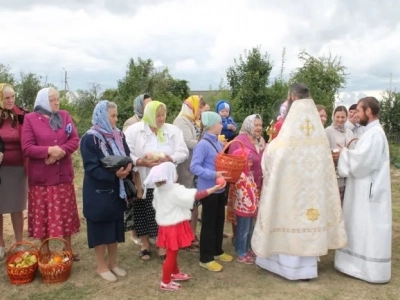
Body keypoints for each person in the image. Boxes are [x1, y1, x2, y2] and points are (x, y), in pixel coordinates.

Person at [252, 83, 347, 281]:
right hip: (313, 188)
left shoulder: (293, 122)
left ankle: (286, 266)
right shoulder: (317, 127)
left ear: (293, 97)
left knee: (289, 216)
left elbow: (276, 152)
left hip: (292, 188)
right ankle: (306, 268)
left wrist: (268, 154)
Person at [334, 97, 392, 284]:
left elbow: (362, 162)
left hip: (369, 191)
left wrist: (344, 154)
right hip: (363, 188)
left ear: (368, 111)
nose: (356, 115)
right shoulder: (371, 132)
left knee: (368, 228)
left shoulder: (375, 134)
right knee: (359, 225)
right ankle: (353, 264)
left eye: (359, 111)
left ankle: (369, 269)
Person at [143, 162, 224, 291]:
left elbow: (156, 206)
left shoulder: (158, 191)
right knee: (171, 254)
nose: (177, 174)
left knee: (173, 251)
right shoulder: (175, 190)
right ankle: (165, 281)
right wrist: (214, 189)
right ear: (170, 176)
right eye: (174, 172)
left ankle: (175, 273)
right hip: (173, 226)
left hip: (166, 226)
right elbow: (195, 196)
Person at [124, 101, 188, 261]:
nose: (161, 118)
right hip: (142, 179)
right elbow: (126, 152)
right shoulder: (134, 131)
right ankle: (144, 244)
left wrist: (170, 158)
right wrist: (140, 161)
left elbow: (183, 151)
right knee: (141, 212)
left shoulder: (173, 131)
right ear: (148, 115)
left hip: (164, 181)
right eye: (157, 115)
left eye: (163, 114)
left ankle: (161, 245)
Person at [21, 87, 81, 258]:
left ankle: (67, 248)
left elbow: (74, 140)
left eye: (57, 98)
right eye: (52, 99)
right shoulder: (30, 119)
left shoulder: (64, 116)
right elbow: (27, 147)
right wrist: (48, 150)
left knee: (66, 213)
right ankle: (45, 250)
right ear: (43, 101)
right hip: (42, 178)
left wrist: (58, 152)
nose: (56, 102)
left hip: (63, 175)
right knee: (43, 215)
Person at [80, 100, 131, 282]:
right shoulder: (90, 138)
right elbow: (91, 168)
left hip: (117, 190)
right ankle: (101, 266)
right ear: (102, 116)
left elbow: (127, 155)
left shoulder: (118, 135)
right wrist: (115, 175)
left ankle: (113, 263)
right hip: (98, 193)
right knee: (100, 228)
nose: (116, 120)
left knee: (115, 227)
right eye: (112, 116)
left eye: (116, 115)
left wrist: (128, 168)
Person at [190, 111, 233, 272]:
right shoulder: (203, 144)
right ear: (212, 126)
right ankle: (205, 258)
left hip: (219, 189)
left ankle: (217, 251)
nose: (222, 125)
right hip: (208, 190)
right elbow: (194, 167)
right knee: (208, 224)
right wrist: (213, 174)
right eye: (219, 123)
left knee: (218, 221)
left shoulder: (216, 142)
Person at [226, 114, 266, 244]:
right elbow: (232, 164)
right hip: (241, 186)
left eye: (260, 125)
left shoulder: (261, 141)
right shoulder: (239, 141)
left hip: (257, 184)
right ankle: (237, 239)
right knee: (240, 215)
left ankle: (250, 240)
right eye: (256, 125)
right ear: (248, 125)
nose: (259, 128)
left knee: (253, 215)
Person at [173, 95, 205, 252]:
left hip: (194, 168)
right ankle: (184, 238)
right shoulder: (181, 121)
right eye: (198, 107)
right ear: (191, 106)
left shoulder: (193, 120)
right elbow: (186, 142)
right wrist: (205, 143)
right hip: (185, 168)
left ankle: (192, 235)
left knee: (194, 204)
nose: (200, 110)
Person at [0, 83, 28, 260]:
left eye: (13, 97)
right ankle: (0, 245)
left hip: (18, 169)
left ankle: (19, 243)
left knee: (17, 208)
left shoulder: (22, 115)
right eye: (6, 98)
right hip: (1, 170)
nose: (10, 101)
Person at [122, 93, 152, 247]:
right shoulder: (131, 123)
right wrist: (138, 161)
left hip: (149, 169)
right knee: (137, 201)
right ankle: (136, 233)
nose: (149, 107)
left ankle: (149, 233)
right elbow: (126, 147)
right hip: (136, 170)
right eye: (146, 104)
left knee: (149, 203)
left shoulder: (153, 122)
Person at [230, 149, 259, 264]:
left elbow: (253, 189)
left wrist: (254, 203)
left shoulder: (249, 174)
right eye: (249, 161)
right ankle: (241, 252)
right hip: (244, 209)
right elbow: (242, 193)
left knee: (250, 230)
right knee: (243, 231)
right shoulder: (240, 177)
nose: (251, 164)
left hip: (250, 209)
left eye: (251, 161)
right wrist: (250, 205)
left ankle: (246, 248)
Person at [325, 106, 354, 204]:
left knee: (347, 201)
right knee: (336, 200)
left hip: (348, 171)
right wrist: (333, 154)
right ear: (333, 116)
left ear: (346, 117)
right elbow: (324, 150)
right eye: (338, 117)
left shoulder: (349, 132)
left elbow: (353, 149)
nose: (340, 120)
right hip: (335, 171)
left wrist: (347, 153)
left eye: (343, 117)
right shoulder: (328, 131)